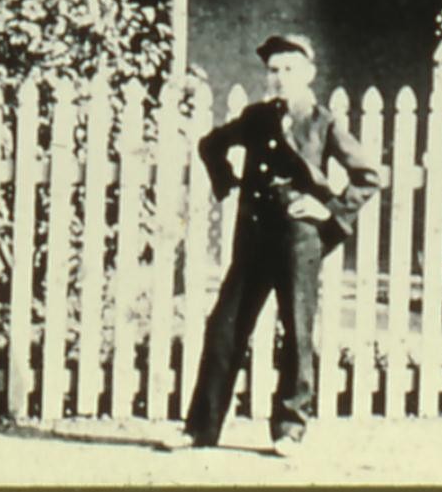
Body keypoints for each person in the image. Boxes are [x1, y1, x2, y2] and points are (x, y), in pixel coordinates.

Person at [163, 33, 380, 455]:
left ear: (309, 75)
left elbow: (369, 176)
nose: (279, 78)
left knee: (297, 332)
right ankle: (199, 429)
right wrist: (230, 183)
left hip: (300, 242)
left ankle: (289, 430)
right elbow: (211, 145)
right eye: (273, 70)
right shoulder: (256, 117)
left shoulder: (323, 122)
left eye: (288, 70)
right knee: (224, 329)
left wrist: (329, 212)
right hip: (254, 240)